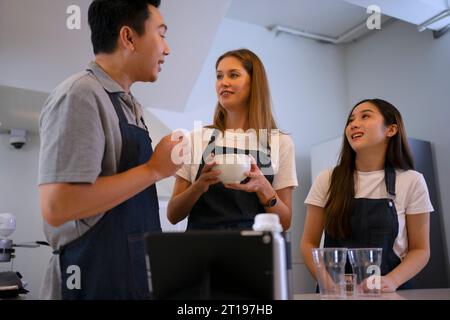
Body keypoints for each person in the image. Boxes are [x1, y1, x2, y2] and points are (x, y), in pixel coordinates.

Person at [38, 0, 184, 299]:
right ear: (129, 38)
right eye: (161, 33)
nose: (167, 49)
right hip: (89, 279)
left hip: (127, 278)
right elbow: (58, 206)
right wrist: (154, 169)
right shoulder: (80, 94)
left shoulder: (130, 104)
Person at [300, 98, 433, 292]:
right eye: (350, 120)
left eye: (365, 116)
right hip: (336, 293)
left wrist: (392, 281)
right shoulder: (327, 178)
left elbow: (421, 250)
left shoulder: (411, 180)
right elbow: (308, 242)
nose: (353, 124)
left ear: (391, 130)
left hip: (391, 292)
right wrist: (327, 284)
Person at [167, 49, 298, 231]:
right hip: (201, 253)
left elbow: (285, 223)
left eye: (233, 75)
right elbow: (173, 215)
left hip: (253, 252)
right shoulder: (196, 139)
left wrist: (264, 188)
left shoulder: (280, 142)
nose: (223, 82)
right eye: (219, 76)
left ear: (254, 83)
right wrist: (198, 187)